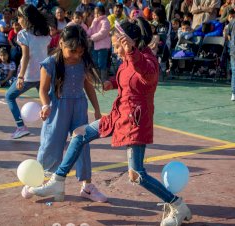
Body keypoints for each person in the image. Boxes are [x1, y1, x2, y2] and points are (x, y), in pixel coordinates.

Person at [22, 17, 192, 226]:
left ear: (128, 42)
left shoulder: (146, 59)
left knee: (136, 174)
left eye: (116, 44)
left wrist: (131, 53)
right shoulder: (127, 60)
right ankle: (58, 181)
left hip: (135, 122)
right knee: (80, 134)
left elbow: (148, 77)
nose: (114, 48)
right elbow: (129, 81)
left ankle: (178, 206)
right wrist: (111, 83)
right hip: (118, 116)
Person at [21, 25, 107, 203]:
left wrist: (97, 109)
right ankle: (36, 181)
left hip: (79, 107)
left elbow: (88, 86)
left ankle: (87, 187)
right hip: (58, 108)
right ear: (61, 43)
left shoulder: (82, 62)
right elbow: (43, 90)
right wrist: (45, 106)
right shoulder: (50, 63)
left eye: (81, 51)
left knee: (83, 145)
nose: (77, 55)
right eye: (73, 51)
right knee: (50, 145)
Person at [5, 4, 51, 139]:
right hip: (44, 73)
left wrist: (20, 76)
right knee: (47, 102)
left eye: (19, 17)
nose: (18, 21)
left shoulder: (23, 34)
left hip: (29, 75)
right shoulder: (45, 32)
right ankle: (53, 128)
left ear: (26, 18)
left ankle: (20, 127)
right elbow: (45, 52)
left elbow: (26, 56)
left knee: (9, 96)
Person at [87, 5, 111, 81]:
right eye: (95, 13)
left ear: (101, 13)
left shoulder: (105, 21)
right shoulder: (95, 20)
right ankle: (97, 80)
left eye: (97, 13)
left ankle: (103, 80)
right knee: (95, 63)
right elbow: (90, 30)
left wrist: (91, 38)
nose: (95, 15)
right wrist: (87, 35)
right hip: (95, 45)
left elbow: (102, 33)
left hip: (103, 46)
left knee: (102, 63)